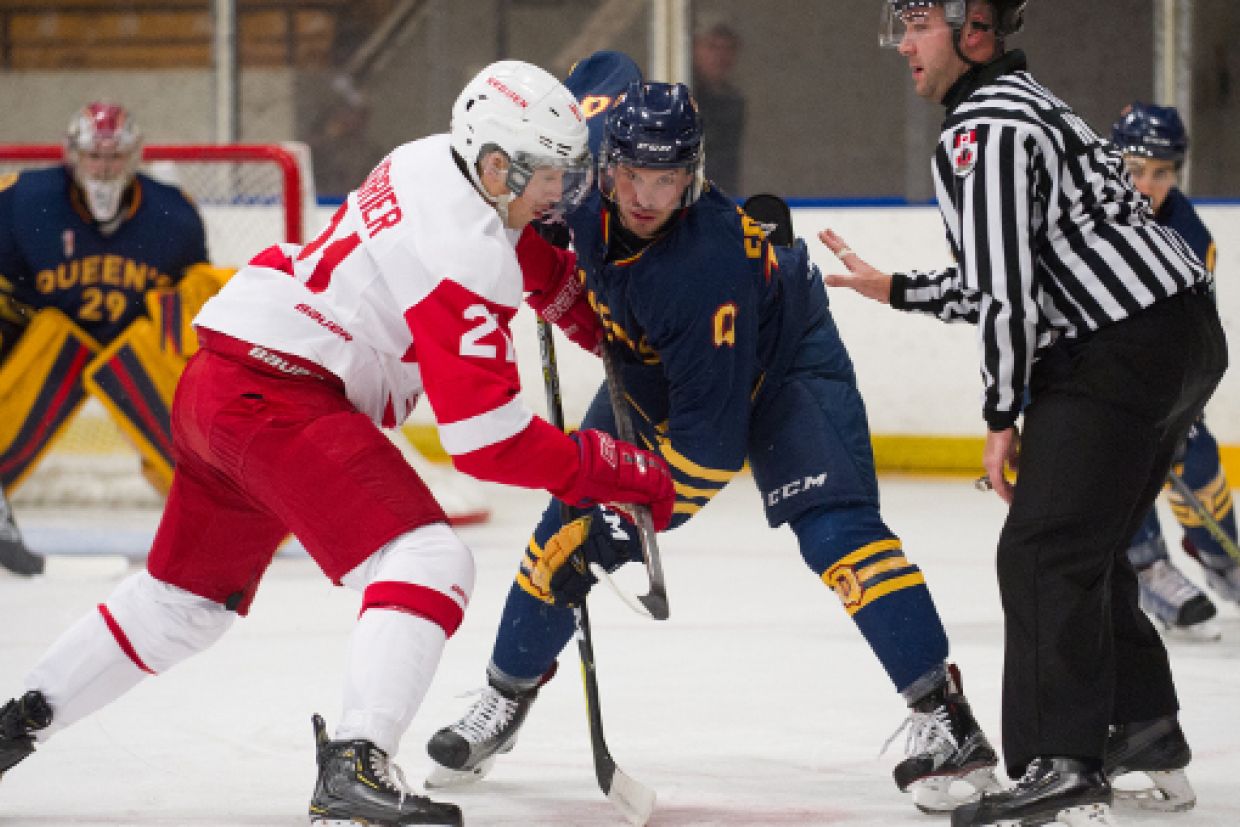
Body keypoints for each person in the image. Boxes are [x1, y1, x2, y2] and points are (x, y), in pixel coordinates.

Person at [0, 60, 676, 827]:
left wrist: (571, 301)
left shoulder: (429, 157)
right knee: (429, 557)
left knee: (183, 604)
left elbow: (506, 239)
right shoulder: (468, 255)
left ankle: (19, 721)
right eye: (553, 173)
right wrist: (613, 466)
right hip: (278, 399)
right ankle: (355, 761)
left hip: (218, 385)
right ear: (495, 165)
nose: (565, 193)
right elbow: (487, 442)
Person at [424, 50, 1000, 816]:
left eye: (666, 181)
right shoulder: (586, 155)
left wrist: (623, 525)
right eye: (630, 175)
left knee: (839, 534)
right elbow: (604, 66)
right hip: (652, 362)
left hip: (784, 365)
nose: (644, 197)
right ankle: (503, 694)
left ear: (693, 174)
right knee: (562, 525)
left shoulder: (699, 269)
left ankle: (945, 718)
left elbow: (706, 453)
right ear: (606, 160)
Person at [820, 3, 1225, 825]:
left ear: (974, 32)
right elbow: (1010, 282)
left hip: (1117, 347)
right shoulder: (1031, 103)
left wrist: (1002, 413)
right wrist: (893, 286)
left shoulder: (981, 132)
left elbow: (1007, 298)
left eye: (921, 25)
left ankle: (1063, 763)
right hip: (1180, 334)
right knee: (1090, 540)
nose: (904, 44)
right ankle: (1142, 730)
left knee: (1042, 551)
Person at [0, 102, 225, 577]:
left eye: (115, 157)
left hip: (135, 349)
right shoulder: (23, 201)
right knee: (53, 346)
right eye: (94, 156)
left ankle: (222, 511)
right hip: (49, 342)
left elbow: (193, 300)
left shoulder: (173, 215)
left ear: (134, 156)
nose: (104, 168)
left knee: (182, 409)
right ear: (73, 156)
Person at [1109, 101, 1239, 641]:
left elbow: (1192, 331)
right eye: (1135, 170)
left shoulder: (1188, 233)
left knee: (1196, 457)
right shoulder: (1087, 215)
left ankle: (1219, 552)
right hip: (1096, 382)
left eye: (1161, 173)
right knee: (1120, 465)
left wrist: (1180, 401)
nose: (1146, 184)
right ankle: (1145, 566)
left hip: (1162, 379)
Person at [690, 18, 746, 196]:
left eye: (728, 49)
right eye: (712, 47)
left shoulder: (733, 101)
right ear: (694, 49)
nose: (720, 57)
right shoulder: (681, 97)